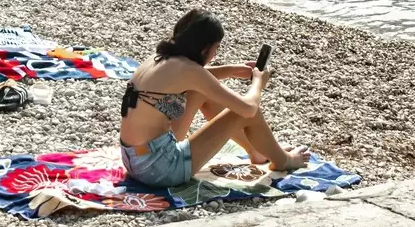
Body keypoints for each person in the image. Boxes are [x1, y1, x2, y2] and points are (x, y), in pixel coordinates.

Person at [114, 10, 310, 193]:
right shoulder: (189, 70)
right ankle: (284, 160)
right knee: (243, 113)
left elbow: (196, 78)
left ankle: (255, 151)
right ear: (204, 48)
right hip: (161, 170)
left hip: (135, 160)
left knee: (200, 92)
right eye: (216, 48)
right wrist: (258, 82)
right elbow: (249, 108)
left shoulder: (158, 59)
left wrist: (232, 70)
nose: (215, 54)